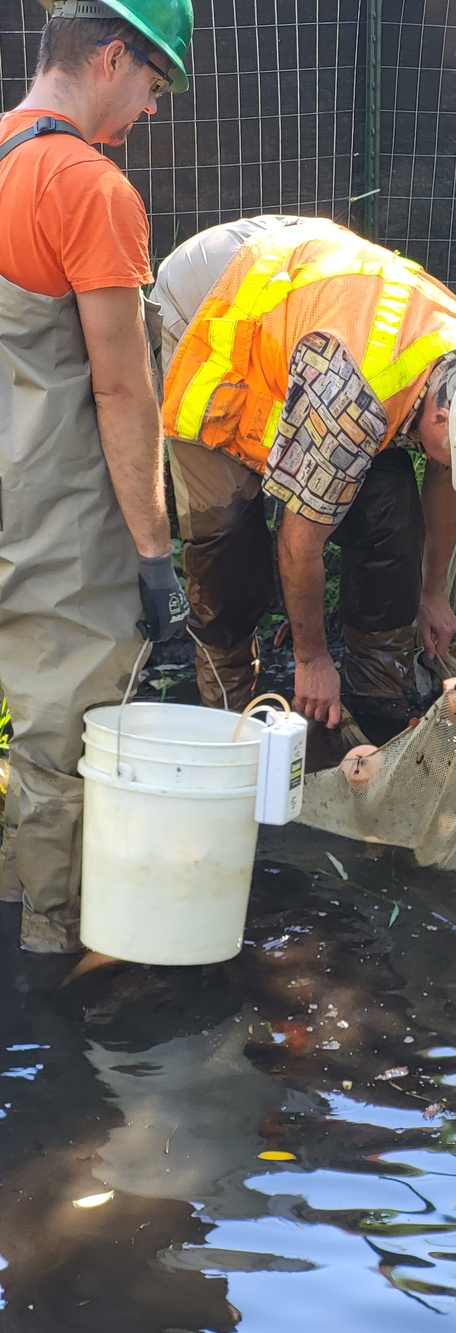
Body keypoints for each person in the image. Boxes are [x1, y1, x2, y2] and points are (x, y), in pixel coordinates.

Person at [153, 215, 456, 742]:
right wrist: (312, 657)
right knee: (227, 536)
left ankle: (377, 692)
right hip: (213, 301)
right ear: (439, 418)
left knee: (389, 512)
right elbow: (299, 544)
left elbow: (447, 476)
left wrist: (431, 592)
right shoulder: (353, 401)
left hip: (310, 303)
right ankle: (227, 704)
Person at [0, 0, 193, 953]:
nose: (150, 109)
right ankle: (55, 956)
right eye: (153, 85)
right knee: (61, 743)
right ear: (113, 57)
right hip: (53, 509)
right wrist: (157, 563)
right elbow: (120, 390)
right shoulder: (89, 188)